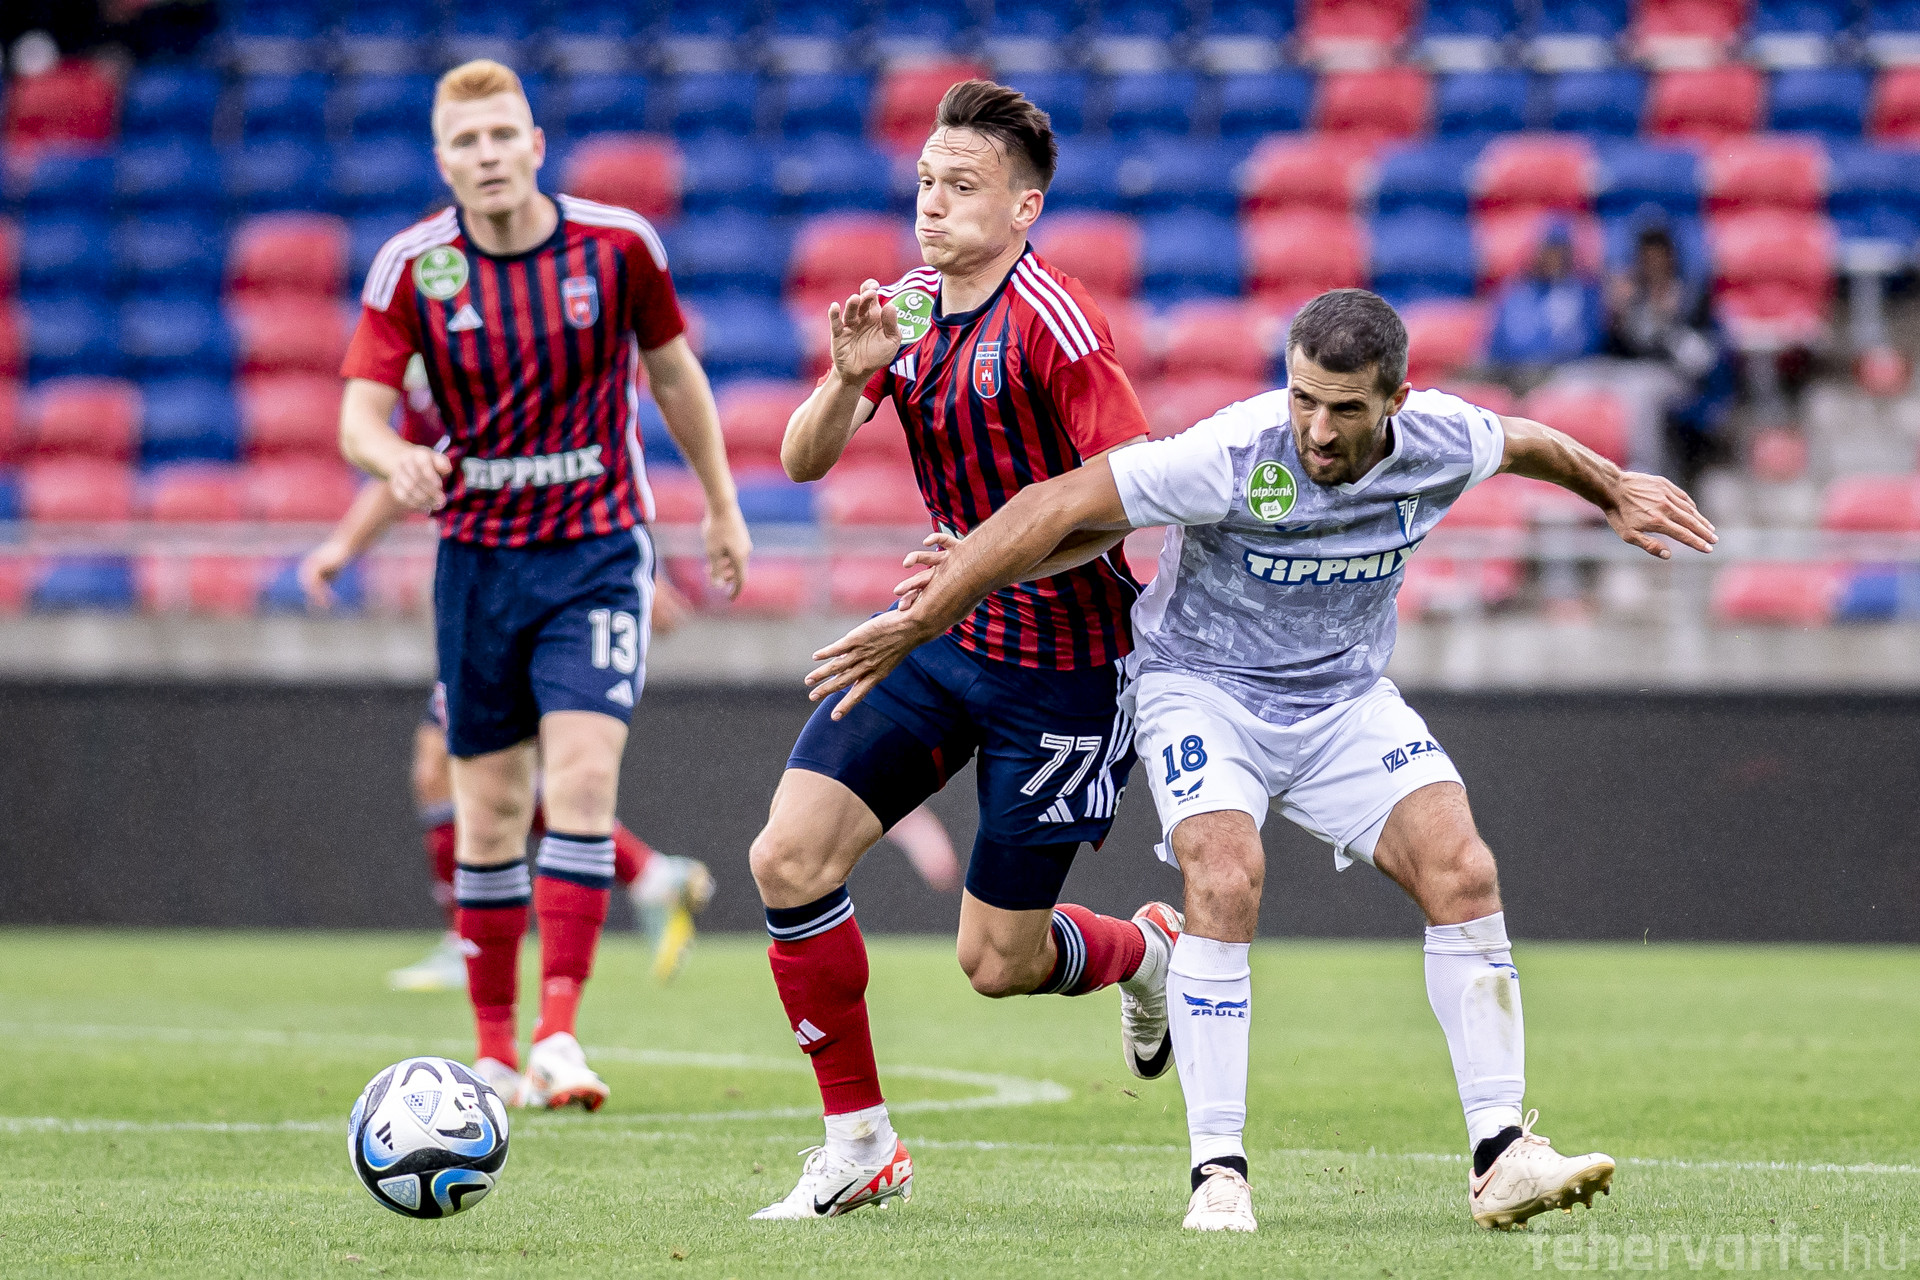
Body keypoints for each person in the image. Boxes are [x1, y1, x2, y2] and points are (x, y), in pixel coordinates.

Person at [807, 288, 1718, 1232]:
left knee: (1463, 868)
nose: (1318, 429)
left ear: (1397, 403)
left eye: (1346, 409)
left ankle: (1502, 1154)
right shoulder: (1232, 453)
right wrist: (930, 611)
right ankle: (1219, 1173)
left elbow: (1526, 442)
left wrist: (1613, 488)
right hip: (1203, 691)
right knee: (1225, 873)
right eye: (1303, 398)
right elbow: (1059, 501)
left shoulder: (1443, 439)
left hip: (1343, 700)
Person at [745, 80, 1180, 1220]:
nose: (932, 204)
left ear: (1025, 206)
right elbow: (800, 460)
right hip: (942, 639)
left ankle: (1145, 954)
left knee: (996, 963)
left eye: (962, 186)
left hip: (1066, 669)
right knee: (788, 858)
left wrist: (977, 566)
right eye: (926, 182)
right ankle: (859, 1144)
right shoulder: (908, 307)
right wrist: (848, 377)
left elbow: (1125, 498)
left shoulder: (1058, 325)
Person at [335, 59, 751, 1111]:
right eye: (464, 142)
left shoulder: (617, 247)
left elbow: (674, 373)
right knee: (487, 813)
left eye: (501, 135)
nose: (486, 156)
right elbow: (357, 417)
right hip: (478, 565)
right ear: (443, 161)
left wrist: (720, 504)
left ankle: (559, 1034)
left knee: (581, 784)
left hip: (597, 553)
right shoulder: (412, 269)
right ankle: (492, 1053)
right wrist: (394, 461)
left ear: (535, 145)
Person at [296, 387, 716, 991]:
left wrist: (632, 572)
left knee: (475, 770)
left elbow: (589, 450)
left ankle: (482, 946)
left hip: (543, 590)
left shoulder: (501, 357)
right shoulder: (437, 368)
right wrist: (344, 546)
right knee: (471, 772)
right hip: (498, 590)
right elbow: (412, 464)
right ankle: (646, 876)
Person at [1604, 221, 1732, 483]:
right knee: (1578, 379)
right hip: (1632, 372)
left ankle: (1646, 472)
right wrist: (1616, 317)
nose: (1653, 264)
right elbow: (1618, 350)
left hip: (1681, 380)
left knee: (1641, 390)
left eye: (1658, 256)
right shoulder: (1632, 294)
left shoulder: (1690, 294)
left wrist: (1670, 325)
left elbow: (1703, 361)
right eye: (1646, 257)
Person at [1483, 220, 1605, 386]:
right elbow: (1496, 342)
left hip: (1559, 371)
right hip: (1509, 370)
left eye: (1559, 251)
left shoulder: (1583, 292)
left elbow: (1588, 342)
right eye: (1547, 250)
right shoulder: (1513, 290)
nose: (1552, 258)